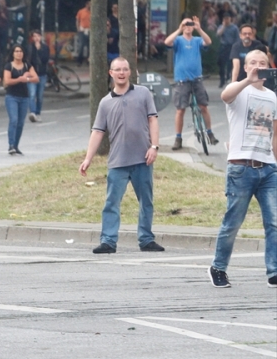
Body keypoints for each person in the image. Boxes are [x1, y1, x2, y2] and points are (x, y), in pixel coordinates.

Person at [80, 57, 165, 254]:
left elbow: (153, 120)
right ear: (111, 73)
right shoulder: (105, 103)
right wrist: (88, 158)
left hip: (143, 158)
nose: (121, 73)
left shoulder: (143, 94)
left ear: (130, 72)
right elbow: (98, 131)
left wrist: (154, 146)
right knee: (111, 202)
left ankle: (146, 238)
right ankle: (108, 240)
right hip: (118, 161)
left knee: (146, 200)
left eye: (125, 69)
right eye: (117, 70)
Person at [208, 50, 276, 288]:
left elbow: (274, 134)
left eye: (262, 63)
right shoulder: (239, 89)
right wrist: (248, 79)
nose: (258, 66)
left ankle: (274, 270)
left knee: (274, 221)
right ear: (246, 66)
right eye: (253, 63)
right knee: (233, 222)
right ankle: (218, 267)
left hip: (268, 167)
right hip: (241, 167)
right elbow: (226, 96)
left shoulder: (272, 96)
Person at [164, 17, 218, 150]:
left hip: (196, 79)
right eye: (186, 24)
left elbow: (208, 41)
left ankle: (209, 133)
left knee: (203, 106)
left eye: (190, 24)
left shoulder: (197, 40)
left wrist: (199, 28)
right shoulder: (178, 40)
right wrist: (179, 29)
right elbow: (167, 42)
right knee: (180, 110)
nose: (188, 26)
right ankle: (178, 138)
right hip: (182, 79)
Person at [3, 45, 37, 155]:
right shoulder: (9, 66)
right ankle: (11, 145)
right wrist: (19, 79)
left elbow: (36, 78)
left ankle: (16, 146)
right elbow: (7, 81)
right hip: (12, 96)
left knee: (20, 123)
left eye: (21, 51)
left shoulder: (27, 65)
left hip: (24, 97)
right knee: (14, 120)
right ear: (12, 53)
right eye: (16, 51)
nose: (19, 53)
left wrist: (27, 78)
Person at [26, 30, 50, 122]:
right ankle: (33, 112)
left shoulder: (45, 47)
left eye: (38, 36)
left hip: (42, 74)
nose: (36, 38)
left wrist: (39, 50)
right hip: (32, 75)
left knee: (39, 96)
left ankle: (38, 112)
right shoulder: (29, 47)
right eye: (34, 36)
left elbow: (45, 59)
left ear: (41, 37)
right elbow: (28, 60)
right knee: (32, 94)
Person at [75, 0, 91, 65]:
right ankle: (79, 61)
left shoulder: (93, 12)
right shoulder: (81, 11)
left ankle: (88, 60)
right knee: (81, 46)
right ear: (86, 4)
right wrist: (78, 29)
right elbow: (77, 20)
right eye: (89, 4)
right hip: (82, 30)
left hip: (90, 30)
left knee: (89, 47)